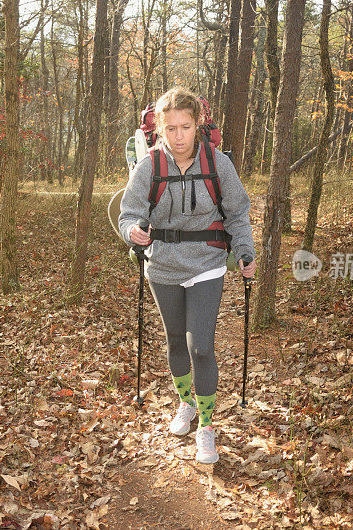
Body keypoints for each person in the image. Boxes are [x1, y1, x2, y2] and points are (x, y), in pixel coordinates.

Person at [118, 87, 256, 464]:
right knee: (176, 341)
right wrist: (132, 231)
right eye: (171, 128)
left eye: (186, 127)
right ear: (160, 129)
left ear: (198, 125)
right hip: (161, 265)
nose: (179, 136)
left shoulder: (218, 164)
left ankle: (207, 428)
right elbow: (127, 213)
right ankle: (186, 404)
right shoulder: (149, 166)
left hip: (207, 264)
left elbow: (238, 213)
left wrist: (245, 250)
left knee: (202, 347)